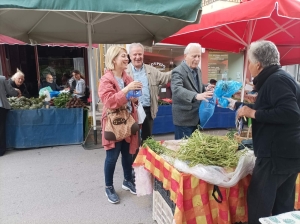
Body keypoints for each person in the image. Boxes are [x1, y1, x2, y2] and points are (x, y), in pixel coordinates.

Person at [227, 40, 300, 224]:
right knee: (282, 208)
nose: (249, 67)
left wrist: (253, 113)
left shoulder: (276, 80)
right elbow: (271, 108)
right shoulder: (280, 78)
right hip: (288, 154)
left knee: (260, 205)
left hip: (275, 156)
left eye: (249, 63)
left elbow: (290, 112)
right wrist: (243, 107)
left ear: (258, 65)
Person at [98, 45, 142, 204]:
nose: (127, 59)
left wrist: (135, 96)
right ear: (113, 59)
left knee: (127, 153)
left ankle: (127, 180)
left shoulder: (126, 77)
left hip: (127, 121)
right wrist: (127, 90)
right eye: (123, 56)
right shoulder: (106, 80)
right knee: (112, 156)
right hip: (113, 124)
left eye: (126, 56)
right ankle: (108, 187)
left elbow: (131, 99)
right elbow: (109, 102)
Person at [126, 43, 172, 143]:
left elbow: (165, 77)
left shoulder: (151, 70)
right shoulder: (124, 71)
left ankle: (145, 157)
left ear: (143, 55)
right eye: (134, 54)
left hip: (147, 109)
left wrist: (179, 70)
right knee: (132, 140)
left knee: (147, 140)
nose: (137, 57)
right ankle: (134, 158)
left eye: (140, 54)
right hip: (130, 111)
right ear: (130, 56)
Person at [171, 43, 213, 140]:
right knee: (183, 150)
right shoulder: (178, 71)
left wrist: (206, 88)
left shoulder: (197, 69)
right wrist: (196, 96)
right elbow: (177, 89)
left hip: (196, 118)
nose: (197, 59)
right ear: (185, 56)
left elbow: (197, 86)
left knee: (193, 149)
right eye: (194, 56)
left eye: (199, 56)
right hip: (184, 120)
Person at [0, 76, 21, 156]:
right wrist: (17, 92)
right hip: (1, 107)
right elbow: (10, 91)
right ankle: (1, 150)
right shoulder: (2, 79)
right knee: (1, 128)